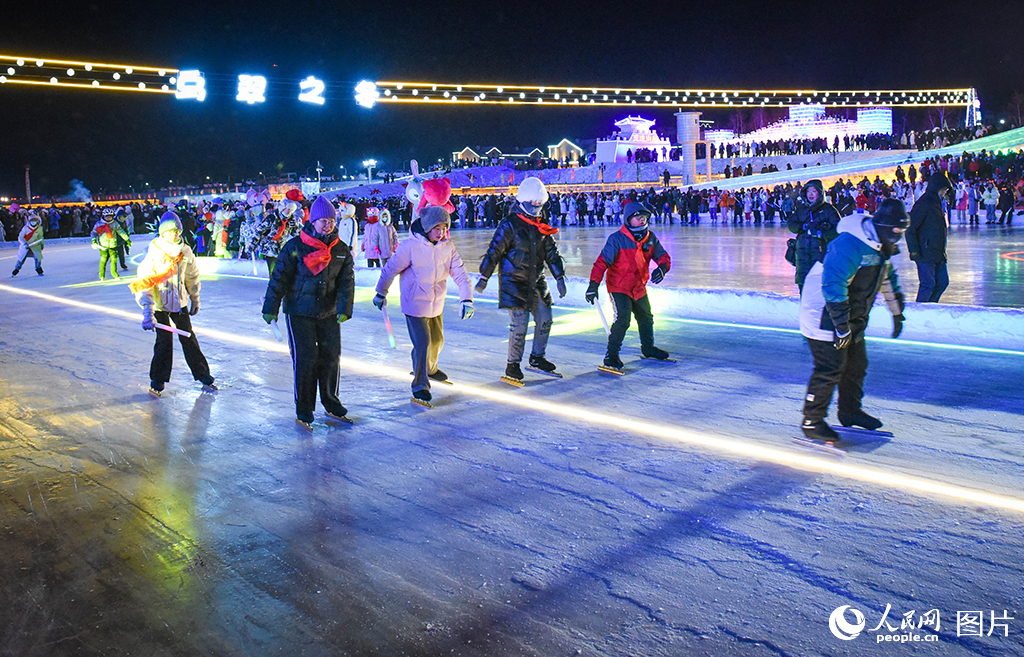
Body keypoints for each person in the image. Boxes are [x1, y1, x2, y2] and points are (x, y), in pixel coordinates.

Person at [798, 199, 909, 441]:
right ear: (882, 225)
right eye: (895, 232)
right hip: (823, 314)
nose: (898, 238)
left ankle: (849, 411)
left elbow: (887, 279)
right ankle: (812, 420)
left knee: (857, 365)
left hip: (852, 315)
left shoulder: (881, 245)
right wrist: (839, 325)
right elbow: (833, 283)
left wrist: (897, 312)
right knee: (830, 368)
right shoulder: (849, 244)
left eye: (901, 232)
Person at [261, 195, 355, 427]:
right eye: (323, 220)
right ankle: (304, 408)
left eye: (331, 221)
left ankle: (331, 401)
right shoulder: (295, 247)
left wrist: (344, 307)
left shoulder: (340, 249)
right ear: (312, 221)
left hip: (328, 312)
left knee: (331, 357)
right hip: (299, 312)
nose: (328, 225)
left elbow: (346, 281)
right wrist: (270, 307)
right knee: (306, 359)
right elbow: (279, 279)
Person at [373, 203, 474, 405]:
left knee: (436, 342)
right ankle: (420, 385)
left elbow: (461, 274)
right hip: (414, 304)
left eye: (445, 228)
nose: (441, 232)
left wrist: (467, 298)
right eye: (437, 228)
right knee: (422, 343)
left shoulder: (447, 247)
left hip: (436, 304)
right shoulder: (410, 247)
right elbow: (390, 269)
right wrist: (380, 292)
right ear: (427, 227)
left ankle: (431, 369)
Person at [476, 177, 567, 383]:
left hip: (536, 281)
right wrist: (484, 275)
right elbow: (494, 251)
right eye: (532, 204)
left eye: (539, 205)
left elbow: (551, 252)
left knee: (545, 318)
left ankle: (537, 357)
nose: (536, 208)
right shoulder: (509, 225)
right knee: (520, 324)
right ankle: (513, 364)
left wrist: (559, 275)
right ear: (523, 202)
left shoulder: (540, 225)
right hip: (514, 282)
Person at [130, 212, 216, 395]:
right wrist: (147, 311)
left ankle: (204, 377)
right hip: (160, 305)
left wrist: (195, 299)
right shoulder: (153, 253)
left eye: (177, 231)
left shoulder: (185, 251)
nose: (175, 234)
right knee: (163, 343)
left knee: (189, 339)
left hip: (180, 303)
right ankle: (157, 381)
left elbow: (191, 277)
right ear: (162, 232)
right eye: (170, 231)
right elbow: (145, 283)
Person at [585, 201, 673, 369]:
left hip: (638, 286)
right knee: (623, 319)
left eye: (644, 217)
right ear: (628, 219)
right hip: (619, 286)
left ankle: (648, 348)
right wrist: (593, 285)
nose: (642, 220)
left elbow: (663, 257)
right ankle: (611, 356)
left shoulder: (650, 238)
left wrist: (662, 268)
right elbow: (601, 263)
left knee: (646, 317)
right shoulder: (617, 239)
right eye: (637, 218)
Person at [906, 171, 954, 303]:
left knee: (942, 282)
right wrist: (914, 251)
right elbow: (910, 228)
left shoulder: (938, 203)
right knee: (928, 285)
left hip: (938, 251)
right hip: (924, 252)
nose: (945, 192)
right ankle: (919, 313)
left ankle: (930, 308)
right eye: (944, 189)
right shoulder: (924, 203)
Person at [788, 180, 841, 291]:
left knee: (819, 288)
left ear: (820, 193)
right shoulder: (801, 209)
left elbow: (838, 229)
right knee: (804, 286)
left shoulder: (828, 210)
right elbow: (791, 224)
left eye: (814, 191)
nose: (811, 194)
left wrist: (822, 233)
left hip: (821, 255)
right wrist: (802, 227)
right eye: (808, 191)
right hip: (802, 255)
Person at [92, 208, 130, 280]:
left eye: (110, 217)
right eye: (107, 217)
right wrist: (94, 241)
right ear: (104, 216)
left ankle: (114, 274)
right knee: (103, 259)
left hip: (113, 244)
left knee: (114, 259)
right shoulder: (99, 224)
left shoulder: (114, 223)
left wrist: (127, 239)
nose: (109, 218)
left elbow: (121, 231)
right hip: (103, 245)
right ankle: (102, 275)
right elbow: (94, 232)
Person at [11, 211, 45, 276]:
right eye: (32, 220)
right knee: (21, 259)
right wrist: (24, 244)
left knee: (37, 258)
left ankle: (38, 268)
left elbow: (41, 237)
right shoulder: (26, 228)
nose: (33, 221)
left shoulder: (39, 228)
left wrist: (42, 245)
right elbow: (20, 237)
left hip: (35, 245)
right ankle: (16, 269)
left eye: (35, 220)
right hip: (26, 246)